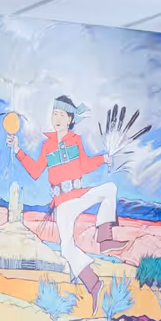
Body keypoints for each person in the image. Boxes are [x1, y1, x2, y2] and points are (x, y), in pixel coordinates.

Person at [14, 95, 121, 296]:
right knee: (66, 247)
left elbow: (85, 165)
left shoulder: (76, 141)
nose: (57, 117)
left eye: (61, 114)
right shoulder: (47, 146)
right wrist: (18, 150)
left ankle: (104, 238)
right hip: (62, 203)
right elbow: (36, 171)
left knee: (110, 189)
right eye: (54, 113)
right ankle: (93, 284)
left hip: (79, 194)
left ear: (70, 119)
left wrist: (102, 159)